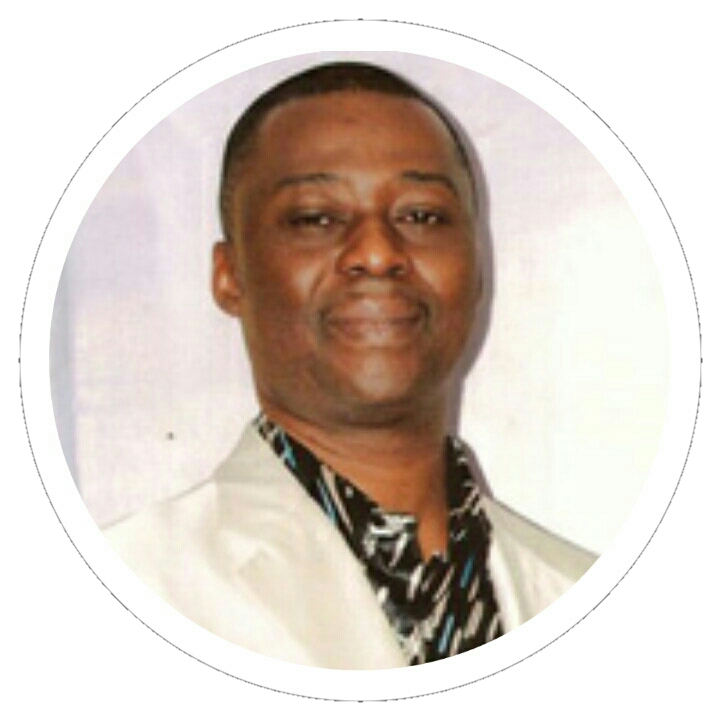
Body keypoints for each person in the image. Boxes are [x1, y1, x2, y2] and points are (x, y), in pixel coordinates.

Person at [105, 62, 596, 669]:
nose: (378, 252)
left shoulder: (591, 599)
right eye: (316, 218)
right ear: (230, 277)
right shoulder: (117, 594)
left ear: (477, 268)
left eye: (422, 215)